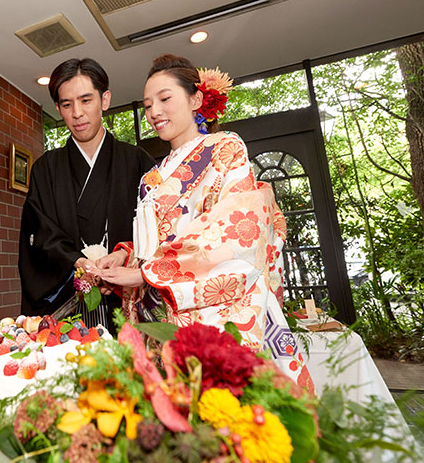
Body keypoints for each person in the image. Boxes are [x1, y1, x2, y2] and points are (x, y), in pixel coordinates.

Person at [94, 54, 313, 392]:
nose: (154, 111)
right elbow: (153, 241)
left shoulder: (224, 148)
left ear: (195, 99)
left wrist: (145, 273)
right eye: (148, 104)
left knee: (218, 410)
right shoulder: (151, 176)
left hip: (211, 308)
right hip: (158, 308)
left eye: (165, 99)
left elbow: (237, 231)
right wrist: (125, 256)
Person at [18, 58, 155, 331]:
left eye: (86, 100)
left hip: (125, 300)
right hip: (69, 297)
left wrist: (123, 259)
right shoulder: (46, 168)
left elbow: (158, 230)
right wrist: (79, 264)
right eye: (67, 105)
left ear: (105, 100)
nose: (77, 113)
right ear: (58, 108)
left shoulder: (137, 161)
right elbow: (40, 235)